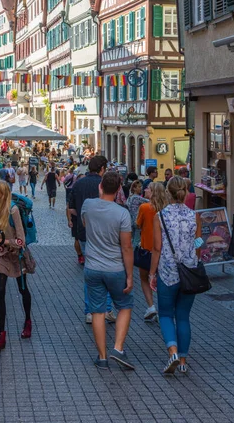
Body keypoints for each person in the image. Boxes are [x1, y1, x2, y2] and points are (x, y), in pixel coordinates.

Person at [149, 175, 202, 375]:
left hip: (167, 272)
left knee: (165, 314)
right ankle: (182, 361)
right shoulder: (194, 216)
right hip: (189, 272)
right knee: (183, 317)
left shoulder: (160, 216)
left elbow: (156, 247)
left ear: (167, 193)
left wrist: (151, 273)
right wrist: (195, 259)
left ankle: (172, 351)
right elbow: (198, 243)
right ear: (186, 192)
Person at [82, 171, 134, 370]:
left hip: (92, 267)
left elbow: (85, 225)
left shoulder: (88, 205)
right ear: (119, 189)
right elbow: (126, 247)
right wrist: (130, 275)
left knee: (97, 310)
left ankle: (102, 357)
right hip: (115, 268)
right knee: (125, 305)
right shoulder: (122, 213)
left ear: (100, 186)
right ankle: (118, 348)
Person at [0, 180, 32, 349]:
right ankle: (2, 334)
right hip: (0, 256)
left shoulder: (13, 210)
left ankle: (28, 321)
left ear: (2, 195)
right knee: (0, 291)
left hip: (16, 256)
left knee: (23, 289)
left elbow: (20, 240)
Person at [69, 156, 116, 324]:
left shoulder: (78, 183)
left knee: (90, 272)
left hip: (84, 233)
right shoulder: (105, 185)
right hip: (104, 234)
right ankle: (108, 309)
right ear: (102, 168)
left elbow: (72, 208)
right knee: (108, 271)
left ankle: (90, 311)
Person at [136, 182, 168, 322]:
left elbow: (138, 224)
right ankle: (163, 308)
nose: (145, 189)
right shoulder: (167, 208)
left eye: (148, 188)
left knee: (144, 279)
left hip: (147, 249)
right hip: (163, 251)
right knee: (161, 280)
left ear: (153, 192)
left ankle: (151, 306)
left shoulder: (144, 207)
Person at [126, 180, 147, 246]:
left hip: (131, 221)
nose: (141, 188)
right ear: (134, 188)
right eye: (139, 187)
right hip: (137, 221)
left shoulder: (130, 198)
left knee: (133, 239)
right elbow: (149, 202)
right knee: (137, 240)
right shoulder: (136, 198)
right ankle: (134, 254)